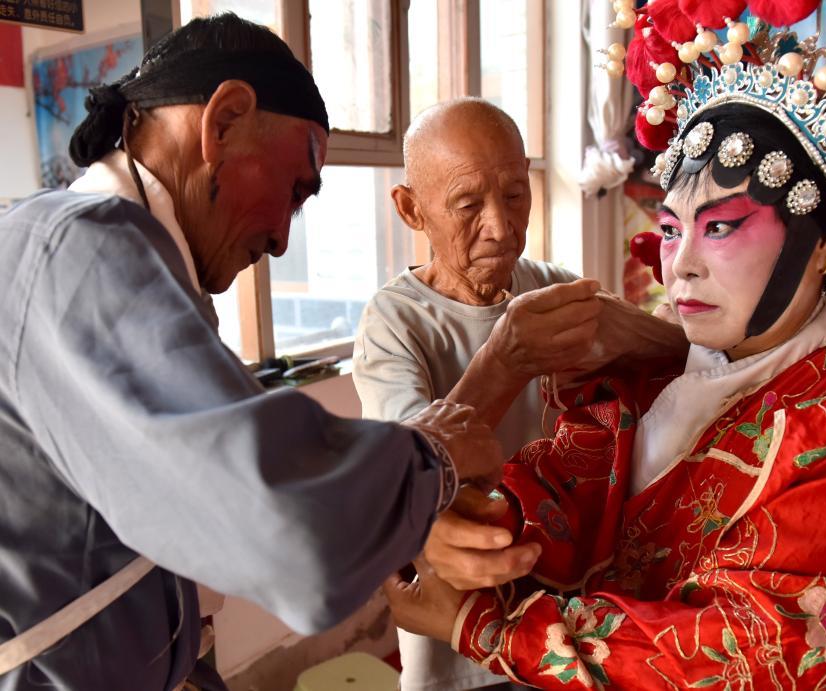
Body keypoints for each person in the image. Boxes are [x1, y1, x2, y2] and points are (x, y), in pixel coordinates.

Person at [383, 18, 826, 689]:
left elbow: (750, 651)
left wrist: (485, 627)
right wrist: (473, 526)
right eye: (670, 228)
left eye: (719, 227)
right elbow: (557, 499)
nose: (681, 265)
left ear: (819, 249)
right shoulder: (644, 387)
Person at [0, 14, 504, 690]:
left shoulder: (113, 256)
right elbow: (287, 529)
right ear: (226, 120)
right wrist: (432, 456)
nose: (282, 240)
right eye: (294, 191)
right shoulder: (81, 248)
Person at [352, 97, 604, 690]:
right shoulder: (395, 322)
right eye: (468, 204)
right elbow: (414, 470)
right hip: (459, 631)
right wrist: (506, 360)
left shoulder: (553, 289)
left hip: (568, 614)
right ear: (411, 209)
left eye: (515, 195)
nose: (500, 225)